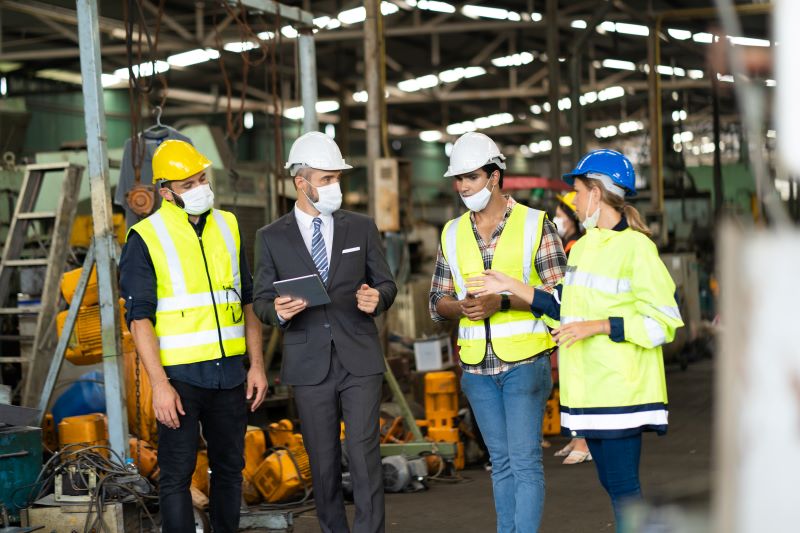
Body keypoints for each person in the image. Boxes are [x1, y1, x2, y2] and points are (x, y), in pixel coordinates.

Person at [467, 149, 684, 531]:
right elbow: (561, 304)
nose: (576, 200)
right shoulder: (583, 247)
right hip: (590, 394)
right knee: (612, 485)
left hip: (621, 392)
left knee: (623, 487)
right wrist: (511, 285)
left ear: (597, 194)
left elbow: (663, 322)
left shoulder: (637, 249)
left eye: (580, 192)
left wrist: (600, 326)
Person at [120, 140, 267, 533]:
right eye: (188, 184)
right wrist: (159, 385)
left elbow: (248, 300)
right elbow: (139, 322)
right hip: (180, 380)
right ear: (165, 191)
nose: (200, 187)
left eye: (202, 178)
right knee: (176, 476)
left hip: (231, 375)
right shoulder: (146, 237)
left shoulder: (229, 225)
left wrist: (257, 365)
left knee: (230, 470)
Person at [253, 131, 397, 533]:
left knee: (364, 452)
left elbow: (386, 284)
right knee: (323, 459)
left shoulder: (361, 227)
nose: (334, 186)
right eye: (326, 179)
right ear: (301, 183)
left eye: (337, 178)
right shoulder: (271, 237)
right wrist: (277, 312)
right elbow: (261, 300)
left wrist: (378, 299)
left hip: (359, 358)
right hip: (308, 361)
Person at [429, 132, 566, 533]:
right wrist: (461, 307)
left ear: (494, 176)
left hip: (525, 364)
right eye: (457, 179)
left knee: (524, 462)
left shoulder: (535, 225)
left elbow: (559, 298)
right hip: (476, 369)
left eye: (470, 177)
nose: (462, 187)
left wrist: (502, 302)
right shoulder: (451, 233)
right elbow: (437, 300)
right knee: (501, 463)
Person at [550, 191, 591, 465]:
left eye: (561, 215)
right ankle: (577, 438)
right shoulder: (569, 246)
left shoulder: (577, 247)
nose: (556, 220)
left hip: (579, 328)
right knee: (571, 383)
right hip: (568, 327)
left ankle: (584, 440)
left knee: (581, 382)